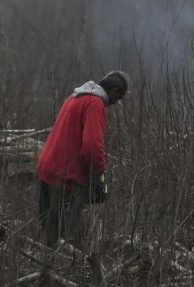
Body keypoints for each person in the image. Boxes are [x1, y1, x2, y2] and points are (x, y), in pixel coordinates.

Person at [35, 70, 128, 248]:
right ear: (115, 90)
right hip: (65, 179)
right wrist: (99, 175)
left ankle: (46, 272)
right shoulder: (95, 103)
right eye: (119, 98)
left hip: (48, 171)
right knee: (68, 239)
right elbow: (92, 147)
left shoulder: (75, 96)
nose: (116, 103)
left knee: (49, 236)